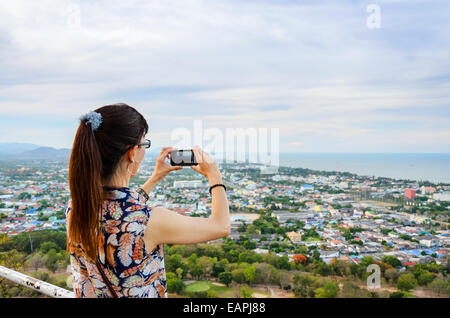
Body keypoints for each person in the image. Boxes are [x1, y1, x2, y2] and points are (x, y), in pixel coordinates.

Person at [65, 103, 230, 298]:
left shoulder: (76, 206)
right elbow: (221, 226)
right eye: (144, 145)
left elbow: (119, 210)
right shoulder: (149, 221)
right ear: (132, 153)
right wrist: (214, 176)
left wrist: (155, 178)